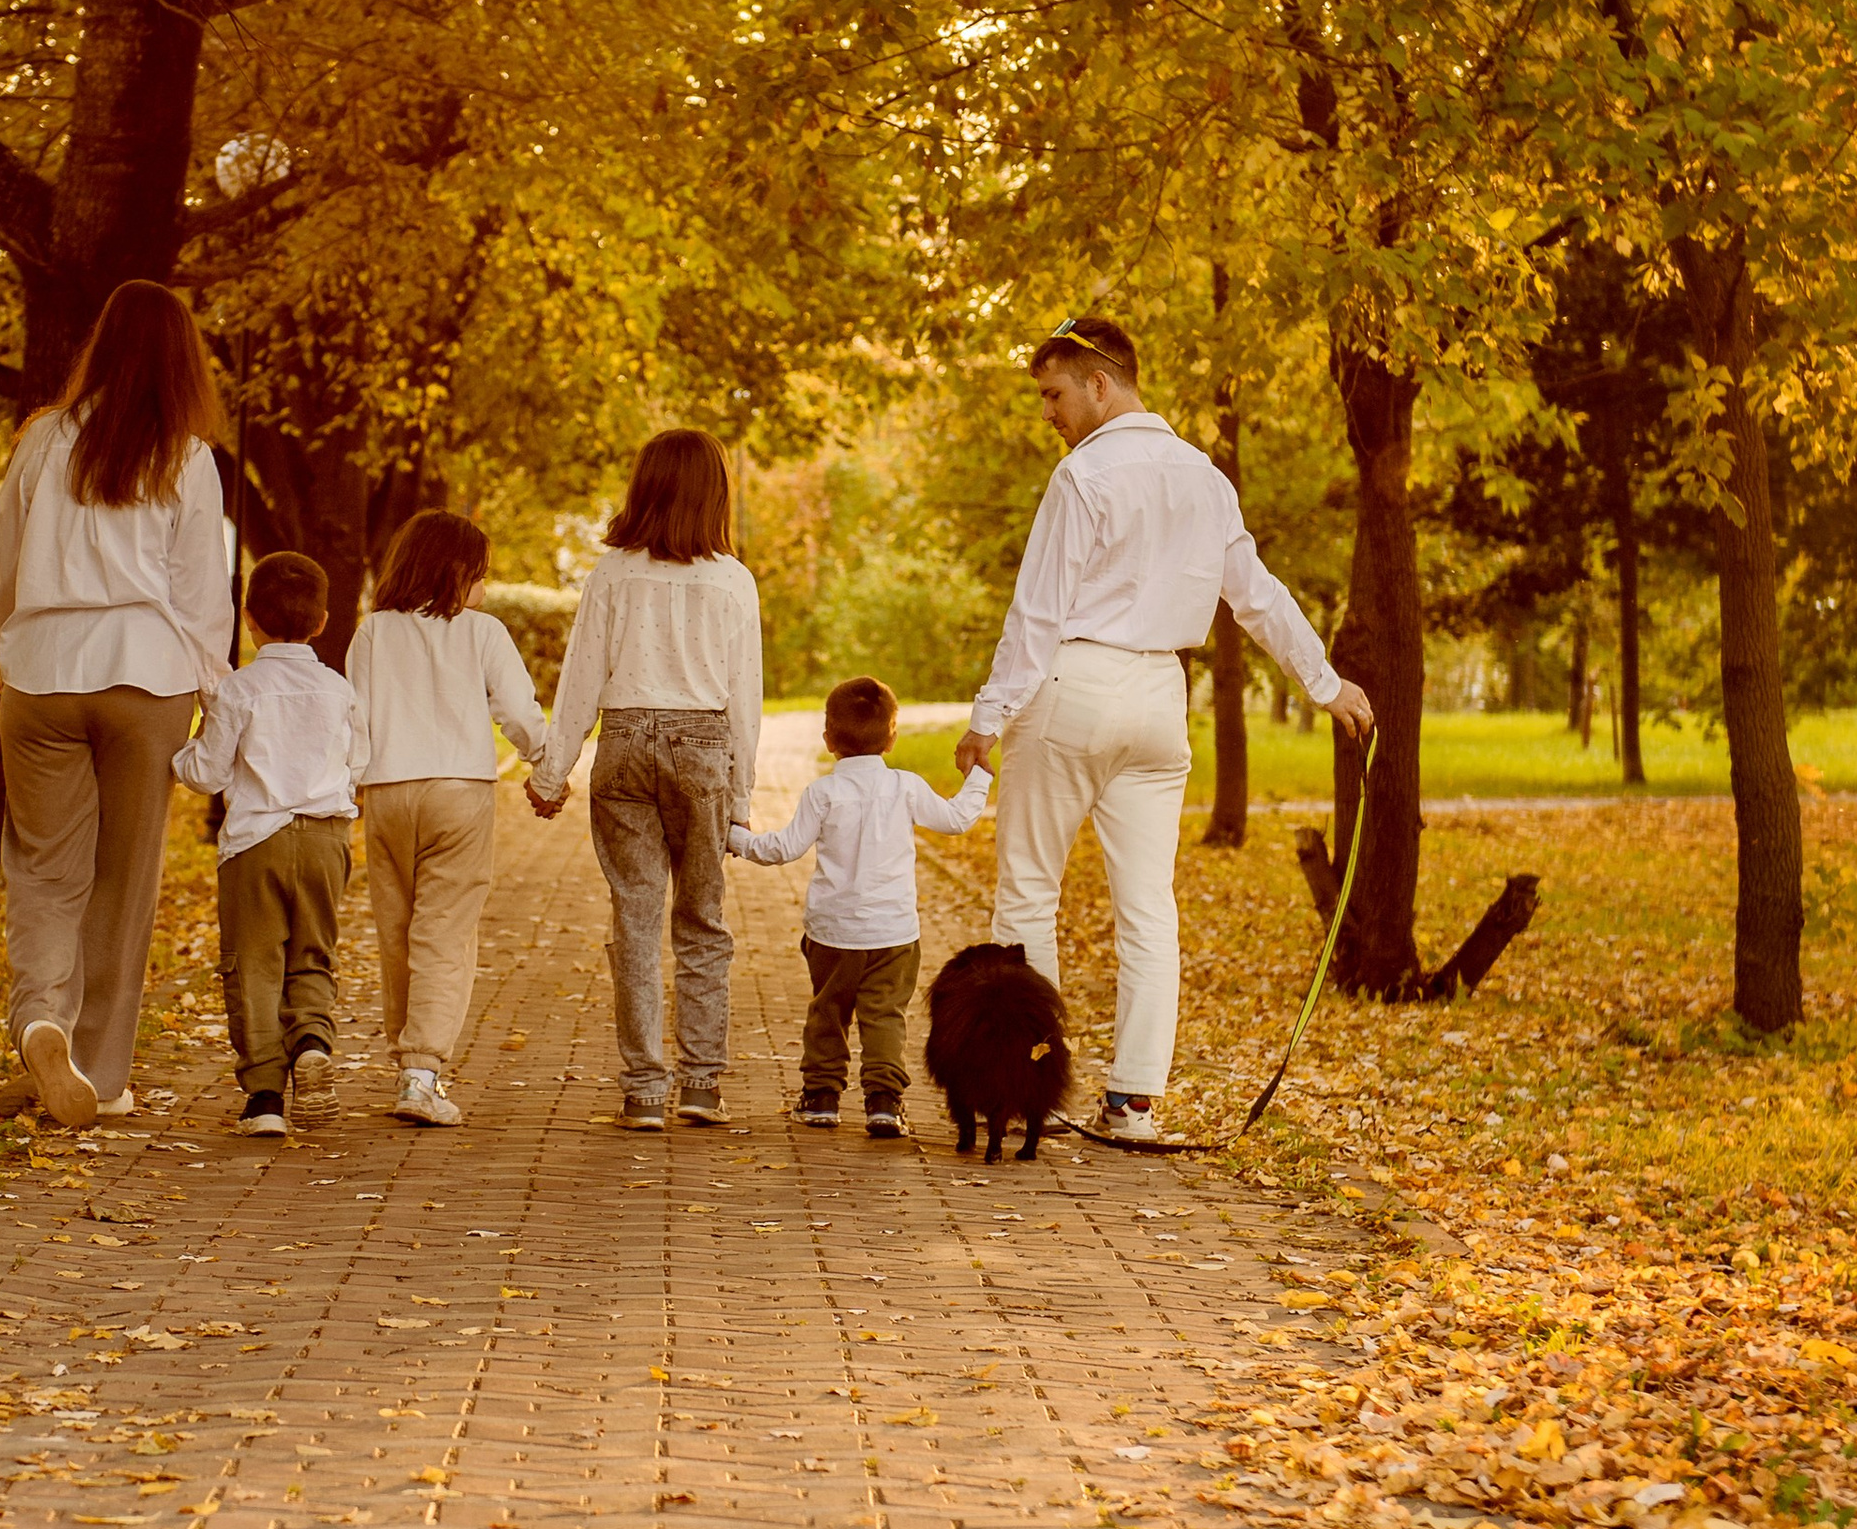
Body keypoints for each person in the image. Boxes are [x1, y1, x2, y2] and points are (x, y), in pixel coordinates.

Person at [955, 315, 1373, 1145]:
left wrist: (986, 718)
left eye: (1056, 394)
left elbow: (1036, 613)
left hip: (1072, 684)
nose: (1051, 413)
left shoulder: (1082, 477)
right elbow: (1256, 596)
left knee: (1028, 891)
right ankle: (1133, 1102)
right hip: (1156, 696)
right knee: (1149, 905)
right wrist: (1326, 684)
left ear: (1101, 382)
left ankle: (1024, 1086)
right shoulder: (1206, 479)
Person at [0, 280, 233, 1131]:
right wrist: (214, 695)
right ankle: (104, 1072)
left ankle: (40, 1022)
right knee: (124, 884)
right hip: (147, 678)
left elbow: (3, 568)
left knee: (45, 873)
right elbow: (203, 595)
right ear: (181, 360)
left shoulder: (42, 440)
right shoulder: (187, 457)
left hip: (44, 672)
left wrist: (6, 655)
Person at [526, 429, 764, 1131]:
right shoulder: (732, 579)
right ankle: (700, 1084)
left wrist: (551, 773)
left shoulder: (612, 573)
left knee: (634, 918)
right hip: (703, 748)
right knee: (702, 920)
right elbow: (744, 697)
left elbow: (580, 679)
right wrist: (742, 799)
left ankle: (643, 1089)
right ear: (715, 493)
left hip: (624, 742)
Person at [347, 511, 549, 1129]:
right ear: (458, 573)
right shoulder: (482, 632)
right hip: (459, 791)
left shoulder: (373, 632)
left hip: (387, 790)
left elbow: (353, 717)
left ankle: (406, 1058)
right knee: (445, 935)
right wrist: (547, 761)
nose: (483, 589)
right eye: (480, 575)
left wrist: (347, 786)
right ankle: (421, 1070)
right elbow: (517, 710)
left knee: (397, 930)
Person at [729, 672, 990, 1139]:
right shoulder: (906, 787)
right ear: (893, 737)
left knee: (828, 1011)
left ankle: (822, 1098)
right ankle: (884, 1102)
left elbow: (783, 849)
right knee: (886, 1015)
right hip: (894, 935)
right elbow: (956, 819)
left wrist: (736, 837)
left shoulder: (823, 794)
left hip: (832, 933)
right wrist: (977, 778)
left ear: (829, 739)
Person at [176, 550, 360, 1137]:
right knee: (313, 952)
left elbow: (206, 772)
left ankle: (263, 1098)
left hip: (256, 844)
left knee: (251, 964)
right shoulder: (339, 690)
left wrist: (174, 756)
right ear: (324, 621)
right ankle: (311, 1039)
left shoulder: (239, 690)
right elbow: (363, 760)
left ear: (248, 619)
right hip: (327, 838)